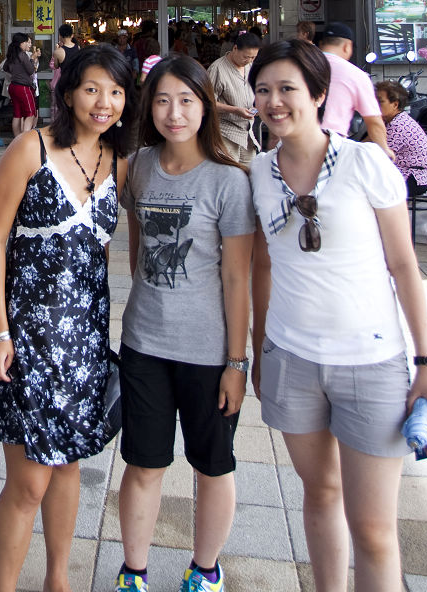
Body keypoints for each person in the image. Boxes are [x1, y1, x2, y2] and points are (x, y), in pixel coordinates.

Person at [247, 39, 427, 592]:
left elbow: (404, 265)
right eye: (263, 90)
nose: (274, 102)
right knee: (320, 494)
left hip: (371, 361)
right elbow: (263, 266)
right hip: (291, 358)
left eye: (287, 89)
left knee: (374, 529)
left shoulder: (365, 162)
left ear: (319, 94)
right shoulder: (259, 171)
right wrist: (258, 350)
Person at [0, 44, 134, 592]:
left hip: (85, 341)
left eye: (115, 91)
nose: (103, 102)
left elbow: (101, 251)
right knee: (28, 482)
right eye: (92, 89)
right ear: (68, 93)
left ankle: (58, 580)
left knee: (69, 464)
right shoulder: (32, 149)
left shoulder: (117, 161)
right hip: (28, 339)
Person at [115, 55, 254, 592]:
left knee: (212, 465)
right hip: (144, 344)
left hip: (208, 353)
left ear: (206, 106)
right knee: (144, 464)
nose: (174, 113)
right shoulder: (139, 166)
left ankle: (205, 569)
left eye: (187, 101)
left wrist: (236, 363)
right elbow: (136, 248)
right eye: (163, 100)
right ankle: (134, 572)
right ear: (149, 108)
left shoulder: (229, 181)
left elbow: (237, 278)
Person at [314, 25, 387, 148]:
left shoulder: (300, 66)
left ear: (321, 44)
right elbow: (374, 122)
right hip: (331, 145)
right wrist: (384, 149)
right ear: (347, 47)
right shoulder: (355, 74)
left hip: (293, 143)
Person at [205, 32, 261, 162]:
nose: (249, 61)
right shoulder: (217, 69)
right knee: (230, 170)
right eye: (246, 57)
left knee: (250, 170)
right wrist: (235, 110)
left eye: (253, 57)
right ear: (235, 48)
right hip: (225, 133)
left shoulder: (250, 66)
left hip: (247, 132)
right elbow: (207, 102)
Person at [375, 81, 427, 193]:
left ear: (395, 105)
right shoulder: (392, 120)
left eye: (380, 101)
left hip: (412, 177)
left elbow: (378, 154)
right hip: (402, 172)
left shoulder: (397, 125)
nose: (376, 105)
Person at [3, 33, 39, 138]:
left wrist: (16, 72)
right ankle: (24, 139)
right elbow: (31, 70)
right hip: (23, 88)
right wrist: (32, 59)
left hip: (13, 87)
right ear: (21, 43)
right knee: (30, 113)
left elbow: (5, 68)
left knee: (17, 114)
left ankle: (17, 140)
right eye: (26, 42)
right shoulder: (22, 55)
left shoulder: (11, 55)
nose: (28, 44)